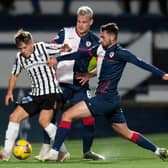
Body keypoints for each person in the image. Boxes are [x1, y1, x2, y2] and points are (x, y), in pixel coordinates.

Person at [42, 22, 168, 161]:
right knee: (126, 133)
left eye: (103, 37)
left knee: (67, 115)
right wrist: (58, 59)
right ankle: (157, 150)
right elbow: (80, 54)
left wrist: (162, 74)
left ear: (112, 37)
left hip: (104, 98)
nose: (100, 39)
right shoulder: (99, 49)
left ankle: (54, 152)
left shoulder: (121, 53)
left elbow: (141, 63)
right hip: (112, 100)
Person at [35, 6, 105, 161]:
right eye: (79, 21)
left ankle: (87, 151)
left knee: (89, 118)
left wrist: (90, 74)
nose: (81, 25)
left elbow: (103, 65)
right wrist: (52, 58)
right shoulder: (65, 33)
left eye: (84, 22)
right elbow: (51, 48)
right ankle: (46, 149)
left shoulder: (95, 41)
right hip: (60, 84)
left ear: (91, 22)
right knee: (50, 114)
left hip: (80, 86)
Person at [0, 29, 70, 161]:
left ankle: (63, 151)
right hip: (36, 94)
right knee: (14, 117)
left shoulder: (43, 47)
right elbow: (14, 75)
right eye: (20, 48)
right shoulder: (19, 57)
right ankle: (6, 153)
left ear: (31, 43)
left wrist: (65, 47)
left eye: (25, 47)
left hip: (51, 92)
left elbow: (60, 48)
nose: (23, 51)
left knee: (43, 121)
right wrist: (9, 92)